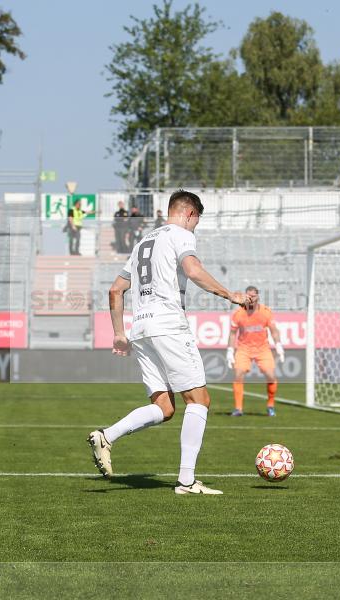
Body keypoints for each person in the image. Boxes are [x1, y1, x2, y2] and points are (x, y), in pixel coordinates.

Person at [88, 190, 248, 495]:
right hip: (168, 324)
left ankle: (106, 437)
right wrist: (231, 295)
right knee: (199, 400)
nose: (195, 228)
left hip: (141, 328)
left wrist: (120, 333)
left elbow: (114, 291)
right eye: (196, 221)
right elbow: (193, 270)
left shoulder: (142, 243)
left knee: (164, 407)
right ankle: (187, 481)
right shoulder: (180, 234)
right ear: (189, 213)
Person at [226, 286, 284, 417]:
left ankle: (270, 405)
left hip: (262, 348)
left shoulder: (265, 312)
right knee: (238, 374)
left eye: (253, 296)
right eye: (248, 296)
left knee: (271, 375)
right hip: (244, 348)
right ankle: (238, 409)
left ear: (258, 297)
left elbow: (274, 330)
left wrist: (279, 345)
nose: (251, 298)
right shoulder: (238, 314)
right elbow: (232, 333)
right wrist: (230, 350)